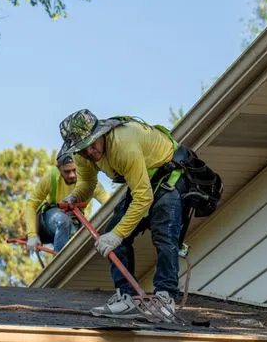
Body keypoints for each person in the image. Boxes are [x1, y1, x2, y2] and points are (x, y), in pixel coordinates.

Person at [59, 110, 211, 319]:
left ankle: (165, 299)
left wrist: (118, 235)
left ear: (101, 133)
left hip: (170, 176)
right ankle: (126, 298)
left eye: (93, 143)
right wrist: (75, 197)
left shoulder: (123, 145)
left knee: (164, 236)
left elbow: (143, 199)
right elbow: (87, 183)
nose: (91, 151)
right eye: (84, 149)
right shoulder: (82, 156)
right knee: (112, 231)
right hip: (144, 183)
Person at [25, 150, 110, 253]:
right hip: (51, 219)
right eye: (67, 171)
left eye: (74, 170)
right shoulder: (51, 177)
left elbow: (109, 204)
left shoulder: (89, 182)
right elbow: (31, 204)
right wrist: (32, 235)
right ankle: (58, 266)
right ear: (59, 169)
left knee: (87, 239)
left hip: (75, 221)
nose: (72, 175)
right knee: (64, 221)